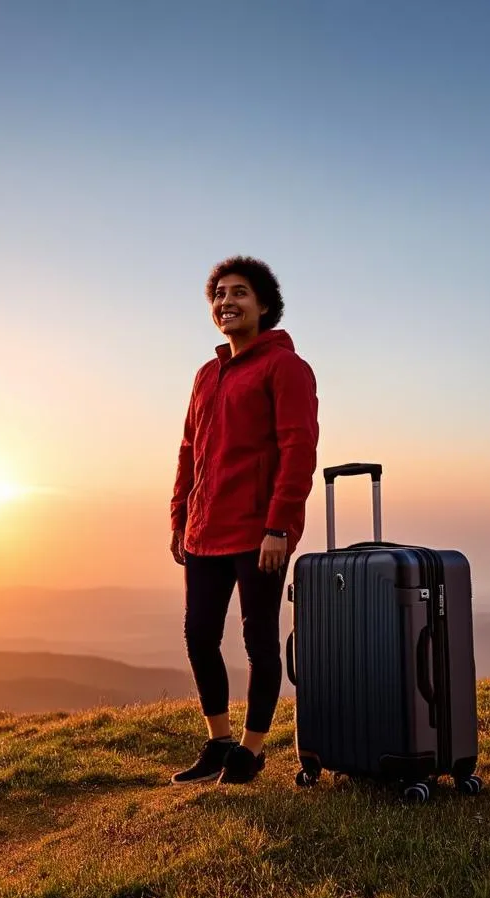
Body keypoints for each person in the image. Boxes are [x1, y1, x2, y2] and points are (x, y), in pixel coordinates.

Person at [169, 255, 319, 785]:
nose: (226, 302)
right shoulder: (206, 375)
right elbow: (190, 450)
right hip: (204, 529)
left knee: (259, 640)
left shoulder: (286, 367)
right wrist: (178, 516)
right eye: (219, 295)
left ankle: (252, 752)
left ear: (263, 306)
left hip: (260, 534)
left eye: (239, 293)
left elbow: (298, 448)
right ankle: (220, 741)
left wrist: (279, 526)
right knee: (199, 635)